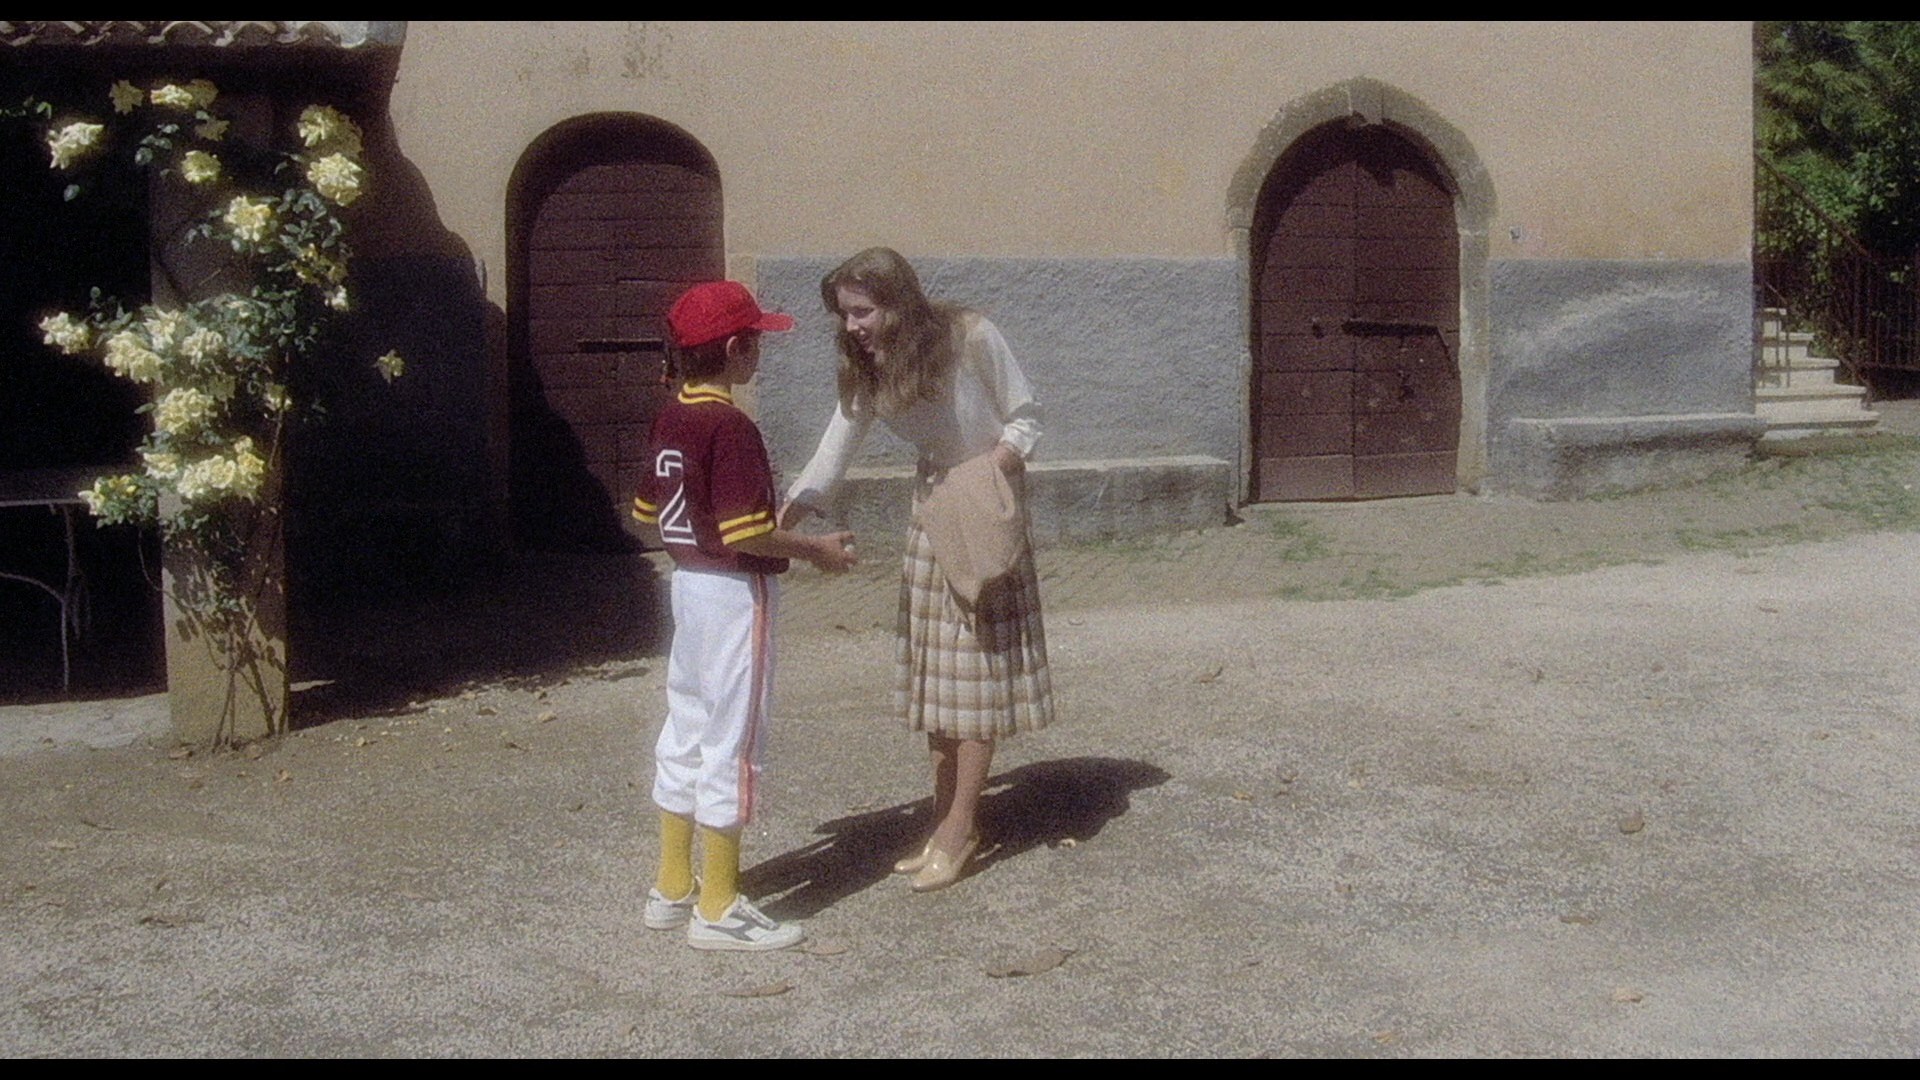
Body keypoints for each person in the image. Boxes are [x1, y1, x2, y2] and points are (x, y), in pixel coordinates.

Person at [781, 247, 1054, 893]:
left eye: (862, 311)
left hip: (982, 508)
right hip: (931, 508)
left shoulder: (970, 336)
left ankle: (960, 830)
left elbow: (1026, 418)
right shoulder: (868, 364)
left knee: (973, 676)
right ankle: (943, 820)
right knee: (939, 677)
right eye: (844, 314)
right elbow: (835, 445)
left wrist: (988, 475)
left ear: (899, 303)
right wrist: (785, 517)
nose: (851, 326)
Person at [634, 280, 857, 951]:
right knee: (733, 739)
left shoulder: (671, 417)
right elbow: (748, 533)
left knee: (686, 726)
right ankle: (719, 906)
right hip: (734, 592)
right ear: (735, 350)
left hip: (687, 586)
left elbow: (645, 513)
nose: (759, 350)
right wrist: (817, 550)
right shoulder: (730, 427)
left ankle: (673, 885)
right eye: (755, 339)